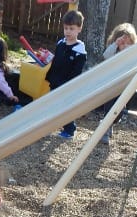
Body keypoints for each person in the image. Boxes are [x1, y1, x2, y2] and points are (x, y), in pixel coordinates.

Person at [45, 10, 87, 139]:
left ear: (79, 29)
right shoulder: (61, 44)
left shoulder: (79, 51)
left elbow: (77, 71)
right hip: (56, 80)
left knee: (65, 108)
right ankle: (48, 128)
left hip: (68, 84)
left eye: (71, 29)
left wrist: (70, 85)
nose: (68, 31)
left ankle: (69, 130)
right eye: (66, 28)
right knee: (52, 105)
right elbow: (56, 61)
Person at [99, 23, 137, 144]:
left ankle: (110, 123)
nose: (124, 45)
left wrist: (127, 49)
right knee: (109, 109)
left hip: (124, 87)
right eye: (122, 42)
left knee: (119, 112)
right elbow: (106, 56)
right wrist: (116, 44)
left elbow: (134, 64)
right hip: (111, 86)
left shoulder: (132, 55)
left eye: (128, 43)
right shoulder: (113, 52)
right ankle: (104, 129)